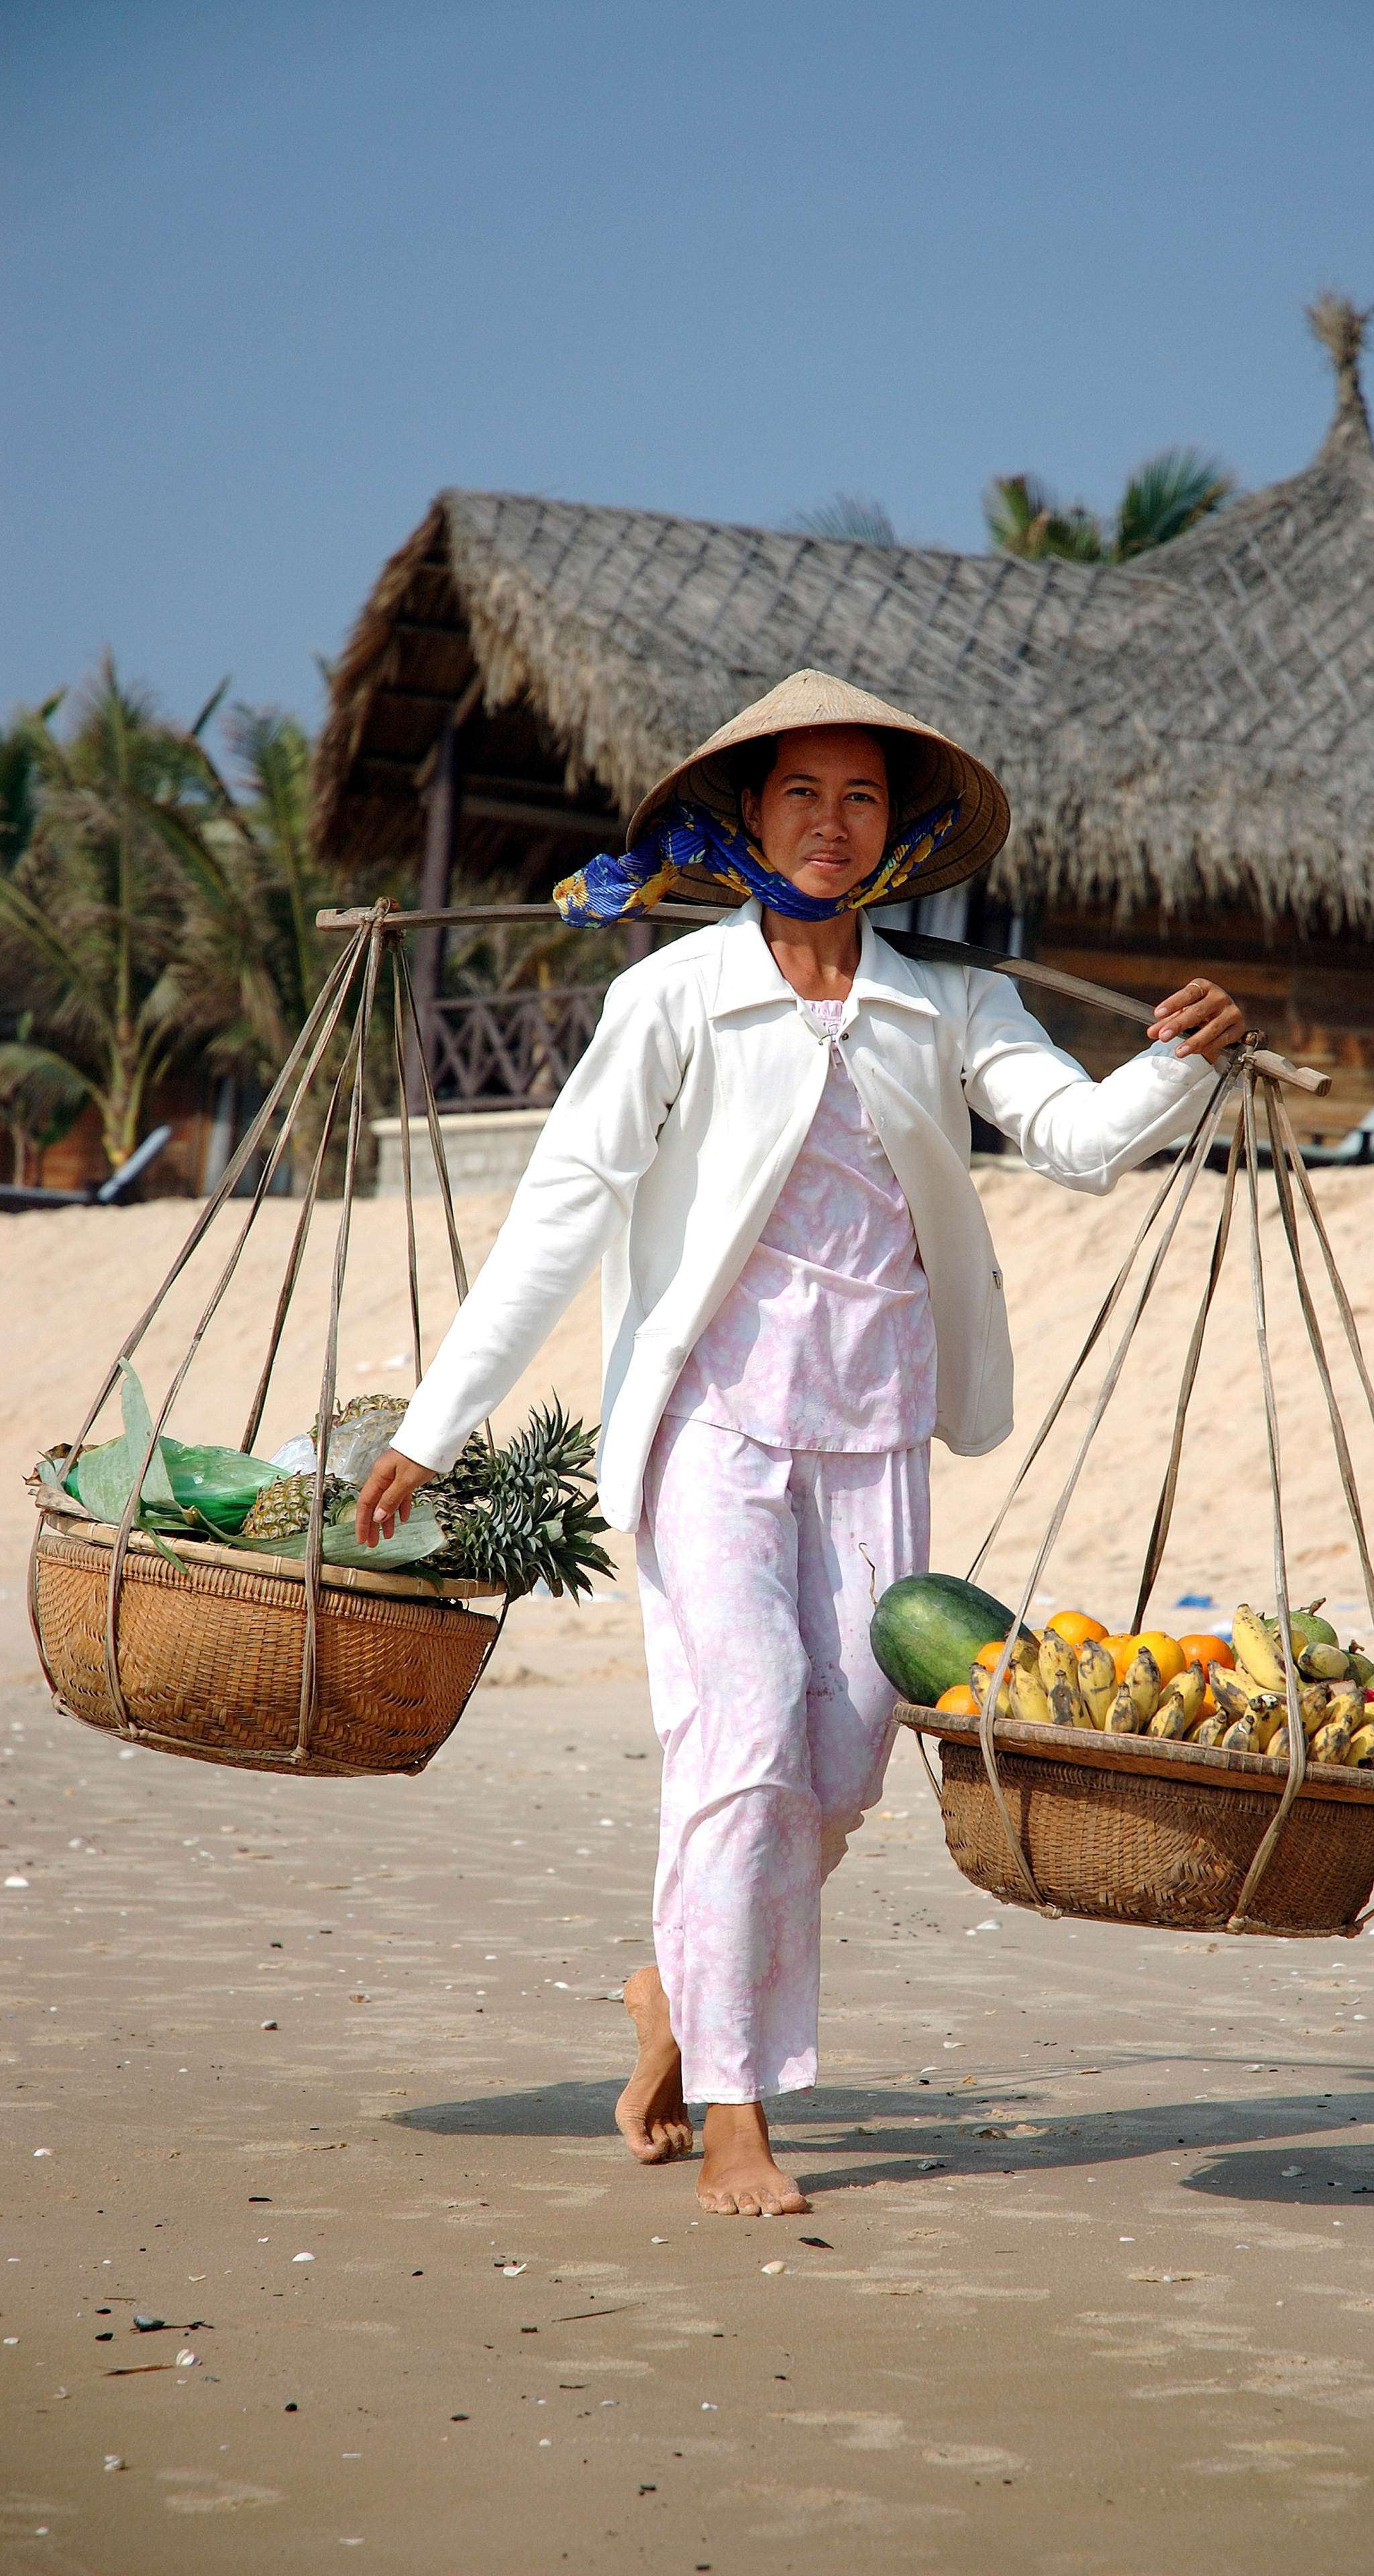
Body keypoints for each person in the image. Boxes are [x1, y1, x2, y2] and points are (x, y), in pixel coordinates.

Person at [354, 669, 1243, 2217]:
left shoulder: (948, 1001)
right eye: (798, 796)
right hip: (710, 1420)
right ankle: (735, 2113)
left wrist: (1184, 1056)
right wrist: (439, 1426)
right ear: (744, 818)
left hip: (875, 1425)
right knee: (749, 1723)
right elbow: (562, 1211)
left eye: (859, 798)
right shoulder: (674, 997)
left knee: (837, 1773)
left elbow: (1081, 1144)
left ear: (897, 833)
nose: (829, 825)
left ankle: (675, 1991)